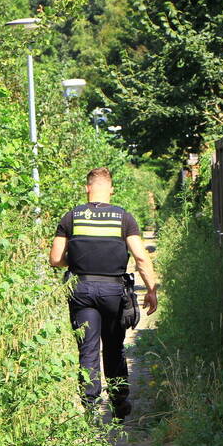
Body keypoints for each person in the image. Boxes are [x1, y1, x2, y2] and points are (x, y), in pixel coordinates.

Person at [48, 167, 158, 420]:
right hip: (113, 291)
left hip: (81, 289)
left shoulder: (71, 217)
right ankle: (120, 404)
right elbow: (140, 257)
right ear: (111, 189)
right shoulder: (123, 218)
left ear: (87, 188)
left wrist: (76, 262)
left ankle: (89, 408)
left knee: (87, 350)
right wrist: (151, 289)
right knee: (113, 347)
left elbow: (55, 259)